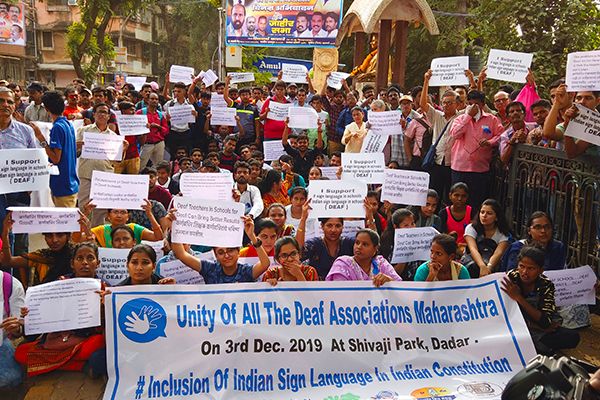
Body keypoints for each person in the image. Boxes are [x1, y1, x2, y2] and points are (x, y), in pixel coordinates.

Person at [15, 242, 107, 377]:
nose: (85, 263)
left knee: (98, 343)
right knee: (20, 353)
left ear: (97, 263)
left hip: (82, 340)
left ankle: (53, 365)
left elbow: (105, 325)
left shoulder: (104, 288)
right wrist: (30, 314)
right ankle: (80, 366)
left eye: (90, 258)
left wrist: (104, 306)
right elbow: (47, 312)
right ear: (72, 263)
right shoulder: (60, 284)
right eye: (80, 258)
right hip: (56, 340)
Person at [501, 246, 580, 355]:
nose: (524, 272)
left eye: (531, 268)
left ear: (541, 270)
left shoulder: (546, 285)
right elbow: (502, 313)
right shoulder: (510, 278)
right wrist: (537, 327)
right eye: (521, 266)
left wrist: (519, 298)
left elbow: (546, 321)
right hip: (515, 326)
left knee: (572, 337)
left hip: (536, 327)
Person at [172, 215, 271, 283]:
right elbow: (181, 254)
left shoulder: (245, 271)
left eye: (230, 250)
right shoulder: (209, 269)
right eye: (221, 252)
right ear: (215, 255)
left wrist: (252, 236)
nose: (226, 255)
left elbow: (265, 264)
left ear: (238, 252)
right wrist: (175, 225)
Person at [449, 90, 504, 208]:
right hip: (460, 169)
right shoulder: (460, 119)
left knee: (476, 202)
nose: (473, 107)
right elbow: (455, 134)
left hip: (480, 170)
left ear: (483, 104)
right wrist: (468, 116)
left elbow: (500, 136)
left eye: (476, 104)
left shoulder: (492, 119)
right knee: (458, 201)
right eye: (470, 104)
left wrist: (490, 142)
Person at [76, 102, 127, 226]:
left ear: (109, 116)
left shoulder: (113, 136)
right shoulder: (83, 131)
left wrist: (124, 149)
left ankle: (96, 235)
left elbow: (116, 161)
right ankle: (82, 235)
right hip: (86, 174)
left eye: (105, 112)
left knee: (101, 208)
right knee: (84, 205)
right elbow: (75, 153)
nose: (102, 115)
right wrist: (78, 146)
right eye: (99, 112)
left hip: (105, 176)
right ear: (94, 114)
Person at [29, 90, 79, 208]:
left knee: (65, 225)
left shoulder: (57, 127)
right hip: (69, 183)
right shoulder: (68, 124)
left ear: (46, 109)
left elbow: (56, 158)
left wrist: (40, 137)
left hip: (63, 185)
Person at [326, 229, 402, 285]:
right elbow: (339, 292)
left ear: (375, 249)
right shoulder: (342, 264)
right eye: (357, 242)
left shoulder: (381, 264)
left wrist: (389, 280)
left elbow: (400, 286)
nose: (358, 247)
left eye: (365, 244)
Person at [500, 211, 566, 272]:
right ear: (529, 230)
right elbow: (512, 274)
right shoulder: (518, 248)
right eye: (538, 227)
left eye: (547, 227)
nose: (543, 231)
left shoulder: (557, 247)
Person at [462, 198, 510, 277]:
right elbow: (473, 248)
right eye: (482, 212)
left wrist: (489, 267)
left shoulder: (503, 233)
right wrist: (482, 266)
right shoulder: (471, 228)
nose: (484, 216)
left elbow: (498, 253)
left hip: (492, 264)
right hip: (471, 262)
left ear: (496, 217)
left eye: (489, 213)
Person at [88, 201, 163, 248]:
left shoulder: (134, 228)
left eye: (123, 212)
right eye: (115, 212)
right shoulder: (101, 230)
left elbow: (158, 237)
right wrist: (86, 214)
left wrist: (149, 214)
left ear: (128, 216)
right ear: (108, 215)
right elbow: (78, 238)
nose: (119, 216)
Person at [0, 266, 26, 388]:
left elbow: (19, 331)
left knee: (11, 378)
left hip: (1, 342)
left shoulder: (11, 285)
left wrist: (15, 328)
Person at [137, 92, 168, 171]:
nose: (154, 101)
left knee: (158, 167)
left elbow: (166, 130)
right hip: (146, 144)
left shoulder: (160, 115)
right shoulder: (140, 113)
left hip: (159, 143)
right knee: (140, 166)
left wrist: (158, 126)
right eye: (152, 99)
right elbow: (135, 127)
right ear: (148, 100)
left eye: (156, 99)